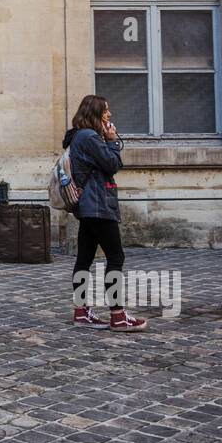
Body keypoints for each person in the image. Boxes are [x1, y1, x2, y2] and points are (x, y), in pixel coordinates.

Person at [63, 94, 147, 332]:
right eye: (105, 110)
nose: (109, 114)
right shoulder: (89, 137)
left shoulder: (78, 136)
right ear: (95, 114)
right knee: (116, 258)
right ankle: (118, 315)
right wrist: (110, 140)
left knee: (85, 258)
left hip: (87, 206)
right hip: (98, 205)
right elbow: (112, 165)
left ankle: (81, 311)